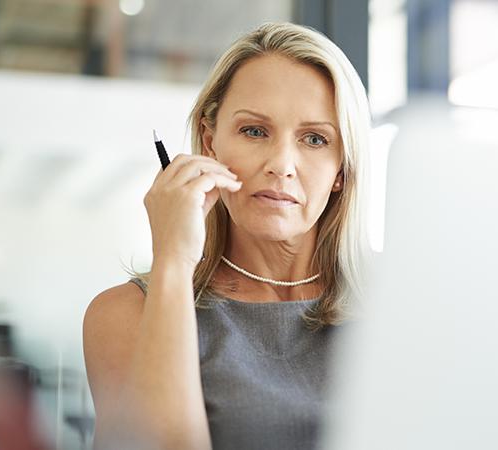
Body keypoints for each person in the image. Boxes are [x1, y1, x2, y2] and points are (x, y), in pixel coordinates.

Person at [82, 22, 371, 450]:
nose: (281, 164)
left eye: (314, 139)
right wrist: (174, 265)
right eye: (255, 131)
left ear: (342, 170)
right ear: (210, 141)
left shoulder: (401, 304)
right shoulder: (127, 314)